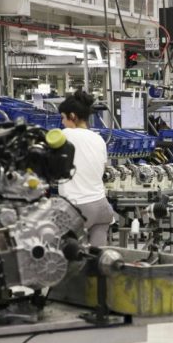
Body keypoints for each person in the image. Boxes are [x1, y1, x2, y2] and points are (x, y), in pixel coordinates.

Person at [58, 89, 114, 246]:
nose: (62, 122)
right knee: (97, 256)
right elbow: (102, 169)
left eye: (63, 118)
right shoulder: (98, 139)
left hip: (77, 208)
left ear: (72, 116)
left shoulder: (64, 135)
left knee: (64, 253)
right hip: (102, 207)